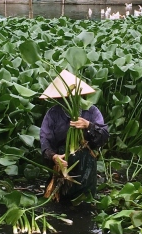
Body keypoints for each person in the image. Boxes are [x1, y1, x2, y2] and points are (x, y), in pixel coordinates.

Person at [40, 70, 109, 201]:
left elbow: (104, 135)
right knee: (60, 200)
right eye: (65, 98)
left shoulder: (91, 111)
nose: (68, 100)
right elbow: (45, 140)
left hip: (86, 160)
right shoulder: (53, 114)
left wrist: (88, 125)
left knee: (85, 200)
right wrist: (53, 156)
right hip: (62, 162)